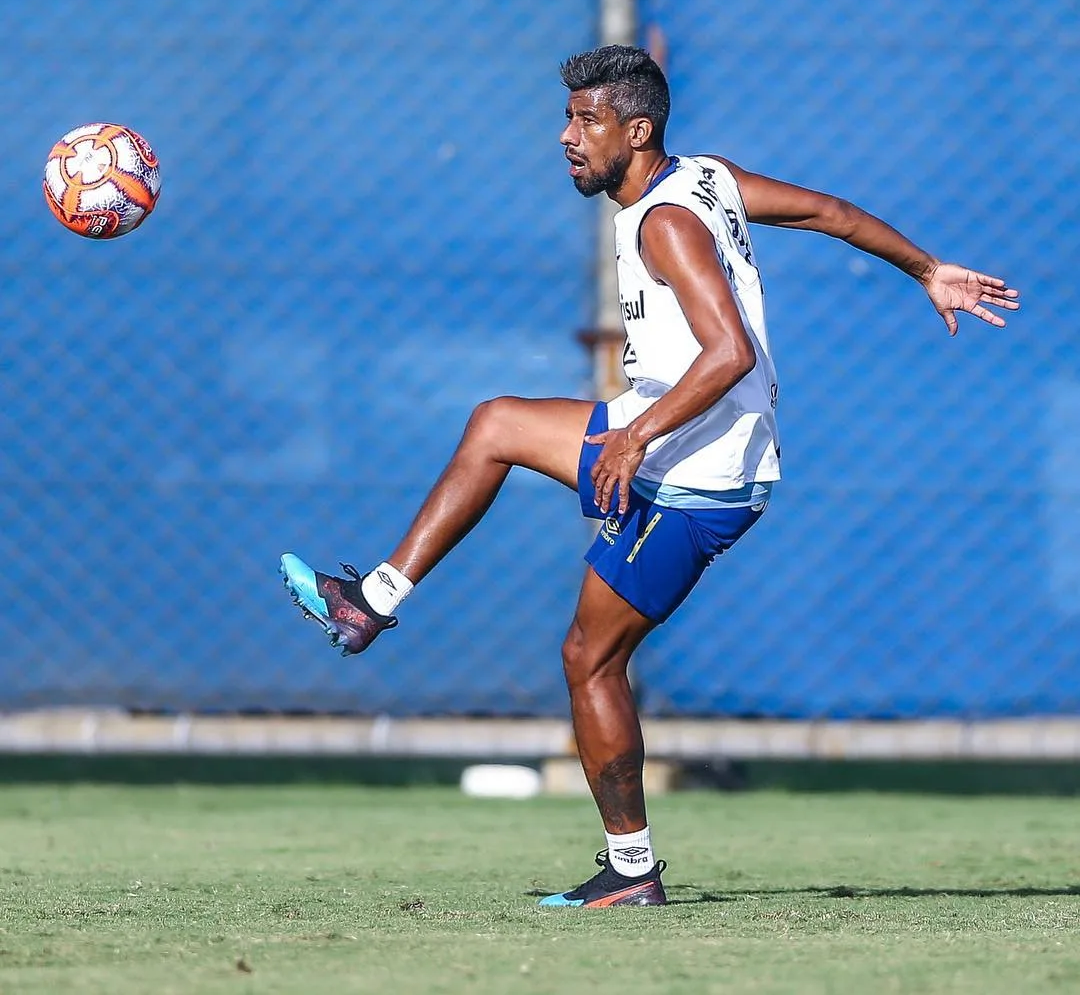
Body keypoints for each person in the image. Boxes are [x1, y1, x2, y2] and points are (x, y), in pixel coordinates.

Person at [280, 45, 1019, 908]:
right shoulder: (707, 177)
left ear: (637, 131)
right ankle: (372, 599)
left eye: (586, 121)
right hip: (668, 438)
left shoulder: (668, 220)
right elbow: (828, 212)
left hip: (699, 478)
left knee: (589, 660)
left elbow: (731, 354)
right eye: (567, 118)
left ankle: (631, 874)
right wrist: (928, 269)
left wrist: (634, 439)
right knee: (498, 424)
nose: (566, 137)